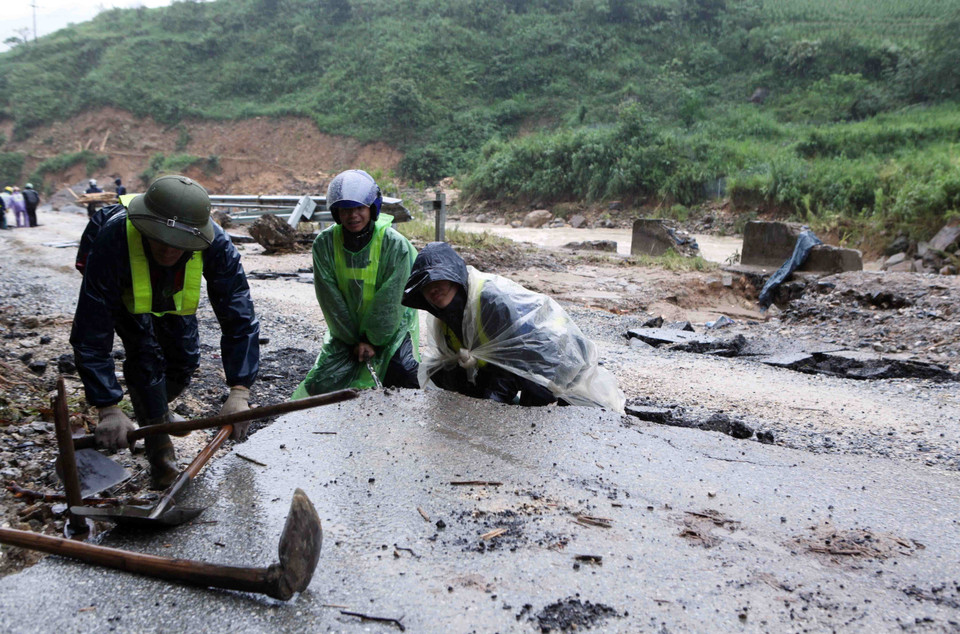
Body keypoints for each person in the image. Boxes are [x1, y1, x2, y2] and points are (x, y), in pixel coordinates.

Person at [71, 174, 261, 488]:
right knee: (144, 355)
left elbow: (238, 316)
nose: (169, 250)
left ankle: (154, 411)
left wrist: (240, 391)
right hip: (125, 287)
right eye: (161, 239)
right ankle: (162, 460)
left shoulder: (217, 244)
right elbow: (92, 330)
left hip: (168, 295)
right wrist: (107, 407)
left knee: (184, 359)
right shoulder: (113, 238)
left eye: (180, 245)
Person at [402, 241, 625, 412]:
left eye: (439, 279)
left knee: (533, 405)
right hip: (513, 363)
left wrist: (490, 405)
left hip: (552, 357)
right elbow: (445, 364)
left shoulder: (492, 301)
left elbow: (518, 360)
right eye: (425, 285)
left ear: (455, 278)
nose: (433, 288)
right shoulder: (442, 318)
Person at [292, 169, 419, 398]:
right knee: (322, 382)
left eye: (359, 208)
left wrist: (372, 340)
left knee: (404, 378)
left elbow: (390, 302)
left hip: (390, 330)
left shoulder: (395, 246)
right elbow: (331, 300)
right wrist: (353, 340)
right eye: (345, 210)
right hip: (345, 333)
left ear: (372, 208)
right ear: (336, 213)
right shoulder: (325, 244)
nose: (353, 216)